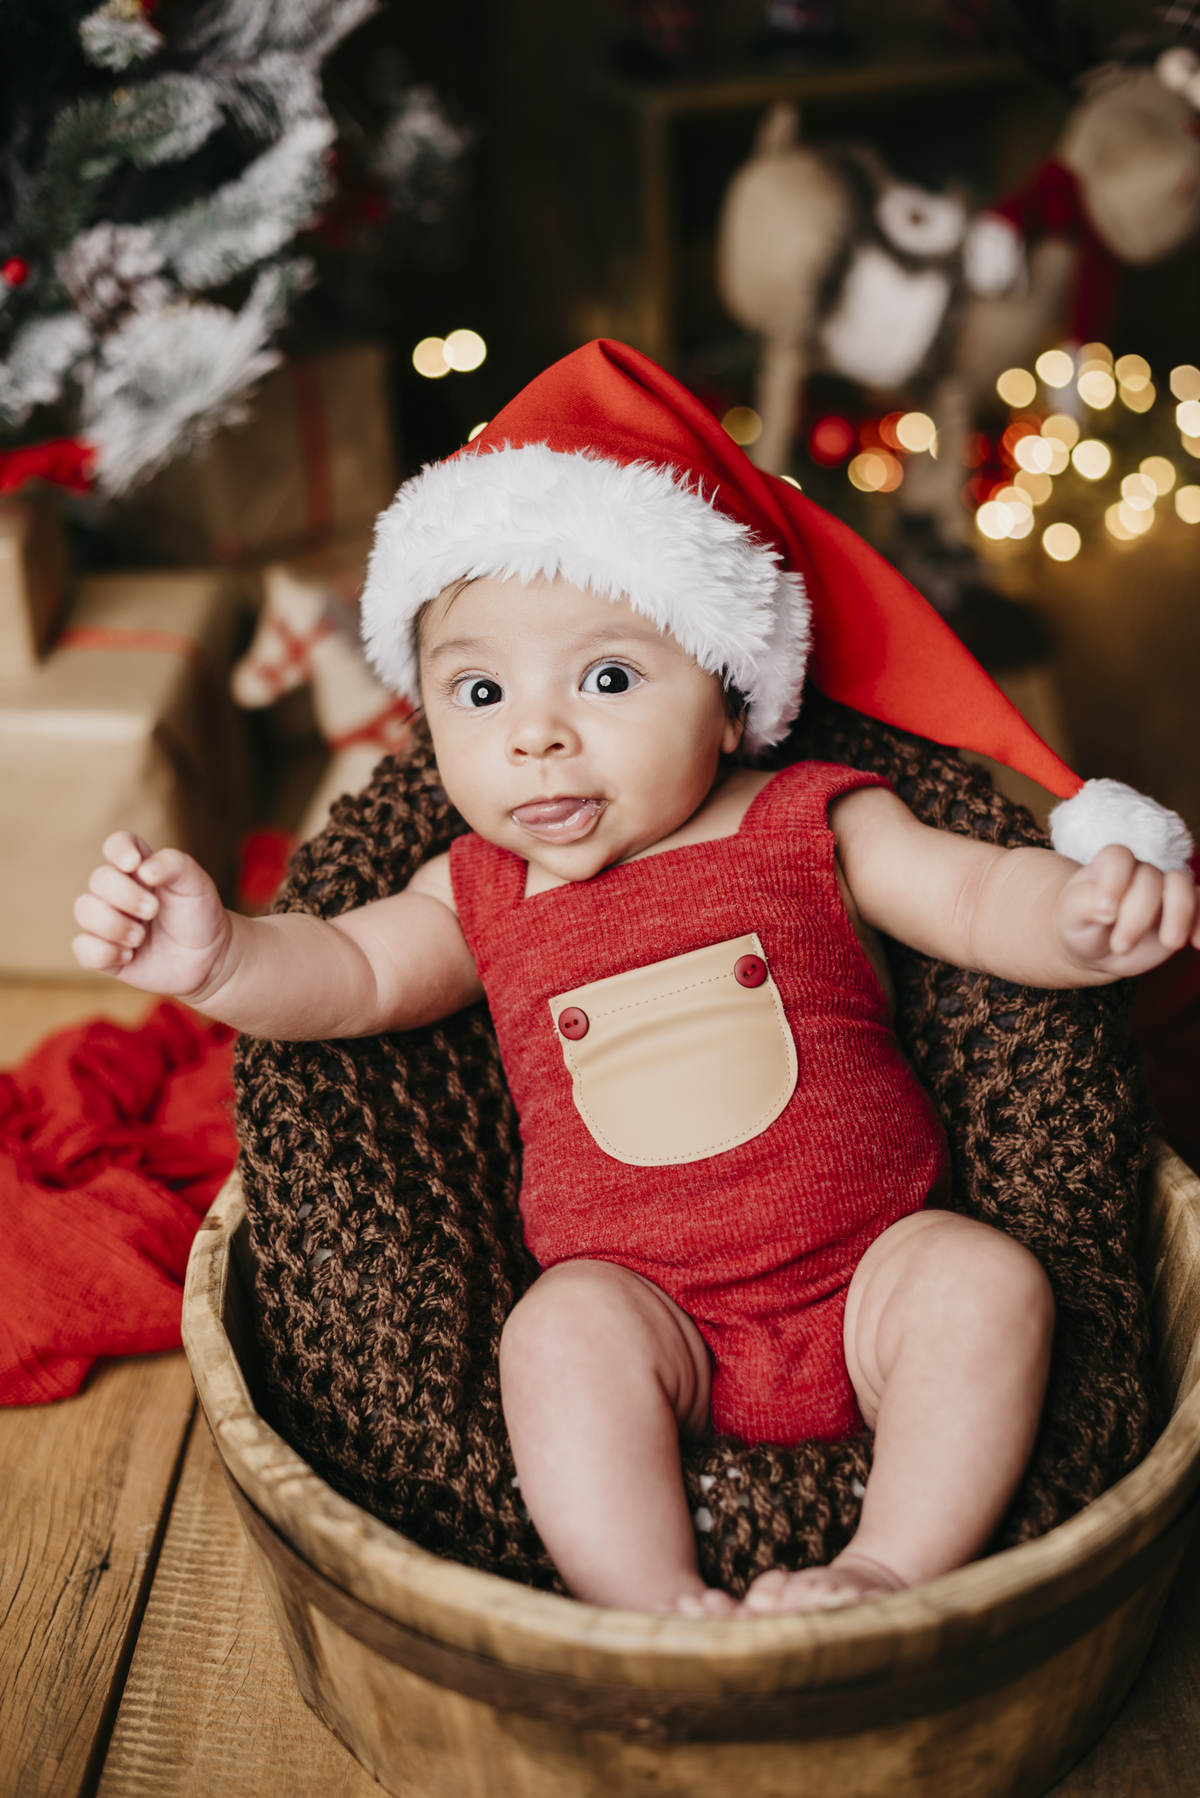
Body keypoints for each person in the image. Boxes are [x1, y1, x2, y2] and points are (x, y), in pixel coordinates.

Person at [72, 342, 1199, 1619]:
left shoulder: (803, 817)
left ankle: (891, 1566)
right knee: (555, 1333)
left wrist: (1086, 920)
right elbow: (347, 972)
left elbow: (980, 894)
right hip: (651, 1312)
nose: (535, 732)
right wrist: (218, 955)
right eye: (481, 689)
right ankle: (650, 1597)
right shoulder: (478, 888)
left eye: (608, 677)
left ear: (729, 699)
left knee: (991, 1283)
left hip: (872, 1270)